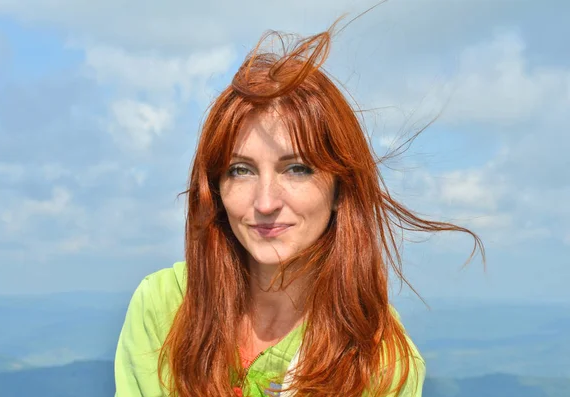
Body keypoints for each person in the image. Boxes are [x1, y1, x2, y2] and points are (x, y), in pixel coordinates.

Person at [114, 15, 483, 397]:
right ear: (215, 189)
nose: (266, 202)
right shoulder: (166, 306)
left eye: (298, 169)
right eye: (241, 170)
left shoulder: (379, 362)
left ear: (341, 188)